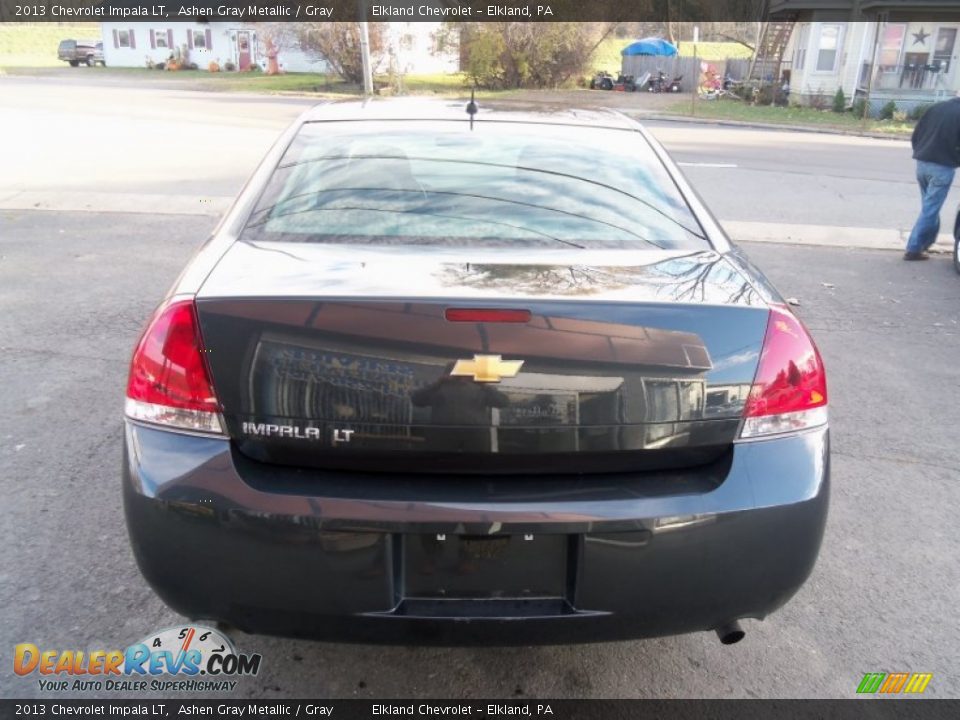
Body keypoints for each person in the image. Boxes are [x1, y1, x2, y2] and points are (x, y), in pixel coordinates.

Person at [904, 91, 960, 261]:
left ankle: (926, 243)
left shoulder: (936, 108)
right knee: (931, 209)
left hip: (922, 162)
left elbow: (917, 134)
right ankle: (913, 249)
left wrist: (919, 151)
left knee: (929, 207)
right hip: (943, 167)